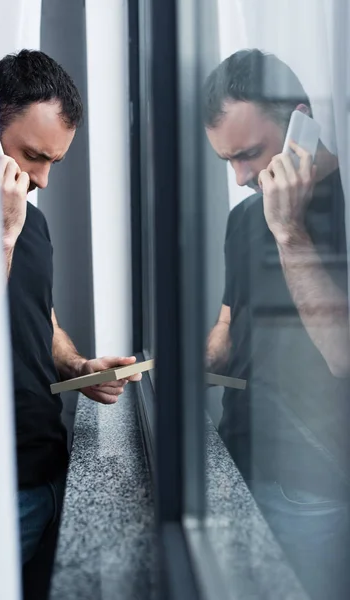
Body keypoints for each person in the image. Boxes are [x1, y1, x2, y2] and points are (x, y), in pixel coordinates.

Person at [203, 49, 350, 600]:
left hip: (311, 489)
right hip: (235, 462)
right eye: (229, 161)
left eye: (248, 155)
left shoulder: (342, 212)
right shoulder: (243, 218)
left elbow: (342, 355)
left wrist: (290, 234)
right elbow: (227, 329)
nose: (241, 178)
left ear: (302, 123)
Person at [0, 50, 142, 570]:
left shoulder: (31, 225)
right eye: (32, 155)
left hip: (50, 472)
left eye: (54, 162)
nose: (43, 180)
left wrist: (79, 367)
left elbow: (42, 321)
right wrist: (3, 234)